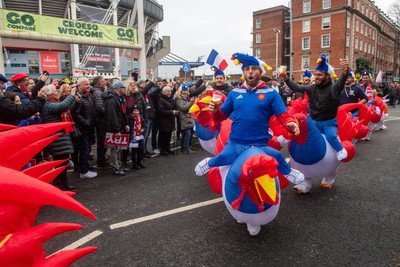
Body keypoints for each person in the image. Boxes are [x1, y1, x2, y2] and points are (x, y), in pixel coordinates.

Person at [195, 53, 304, 185]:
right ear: (243, 73)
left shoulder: (271, 93)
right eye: (247, 69)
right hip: (235, 143)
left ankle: (287, 172)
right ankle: (209, 162)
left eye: (254, 68)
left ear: (260, 71)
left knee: (277, 157)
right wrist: (215, 111)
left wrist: (290, 123)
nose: (250, 72)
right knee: (223, 158)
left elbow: (283, 115)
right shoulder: (235, 93)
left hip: (259, 144)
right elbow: (221, 117)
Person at [282, 54, 350, 161]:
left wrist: (345, 72)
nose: (317, 77)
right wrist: (286, 78)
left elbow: (340, 83)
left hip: (328, 123)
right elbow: (296, 87)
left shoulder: (333, 88)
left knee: (331, 137)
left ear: (327, 76)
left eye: (320, 75)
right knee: (302, 134)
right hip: (313, 122)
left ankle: (340, 150)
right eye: (316, 74)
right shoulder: (312, 87)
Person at [41, 84, 81, 190]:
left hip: (60, 137)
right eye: (55, 91)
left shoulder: (54, 103)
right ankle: (63, 184)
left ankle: (59, 182)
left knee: (62, 161)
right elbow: (63, 106)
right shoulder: (48, 105)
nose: (57, 92)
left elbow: (68, 110)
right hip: (57, 137)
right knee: (61, 163)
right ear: (49, 94)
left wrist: (76, 102)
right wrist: (71, 95)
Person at [73, 78, 97, 179]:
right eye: (86, 84)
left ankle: (84, 168)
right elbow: (76, 113)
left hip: (88, 128)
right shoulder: (78, 97)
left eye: (89, 84)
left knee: (85, 150)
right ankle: (84, 171)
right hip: (83, 129)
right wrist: (86, 122)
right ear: (79, 86)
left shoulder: (88, 96)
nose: (88, 86)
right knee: (84, 150)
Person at [104, 81, 130, 176]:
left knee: (119, 148)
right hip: (114, 128)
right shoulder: (111, 100)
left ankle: (119, 165)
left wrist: (126, 124)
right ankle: (116, 167)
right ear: (119, 88)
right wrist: (116, 130)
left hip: (120, 126)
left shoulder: (120, 98)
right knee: (114, 149)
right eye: (123, 87)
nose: (125, 89)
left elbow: (123, 113)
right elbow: (112, 116)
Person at [90, 75, 111, 169]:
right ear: (99, 83)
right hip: (101, 121)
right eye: (103, 81)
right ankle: (101, 162)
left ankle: (102, 160)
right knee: (102, 142)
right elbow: (99, 107)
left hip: (100, 120)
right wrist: (108, 112)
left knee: (102, 142)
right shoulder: (98, 93)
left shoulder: (98, 91)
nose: (105, 82)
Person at [157, 85, 178, 156]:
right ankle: (163, 150)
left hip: (170, 119)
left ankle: (167, 148)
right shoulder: (161, 99)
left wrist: (175, 111)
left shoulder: (171, 98)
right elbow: (161, 110)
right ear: (164, 92)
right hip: (163, 120)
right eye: (167, 91)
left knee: (169, 134)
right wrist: (171, 112)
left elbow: (173, 106)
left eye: (170, 91)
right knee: (164, 135)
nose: (169, 93)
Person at [176, 85, 196, 154]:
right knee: (187, 134)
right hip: (184, 119)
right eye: (183, 91)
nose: (185, 92)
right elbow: (184, 108)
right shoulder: (179, 99)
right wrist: (191, 102)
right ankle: (186, 148)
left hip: (189, 118)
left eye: (186, 91)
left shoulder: (187, 98)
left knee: (188, 134)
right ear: (180, 92)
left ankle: (186, 147)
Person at [128, 105, 146, 169]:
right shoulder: (130, 118)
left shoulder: (140, 117)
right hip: (133, 136)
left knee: (140, 150)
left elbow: (144, 125)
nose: (136, 112)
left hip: (140, 135)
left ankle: (139, 162)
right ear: (132, 112)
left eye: (137, 111)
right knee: (134, 151)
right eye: (134, 111)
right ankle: (134, 164)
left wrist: (143, 129)